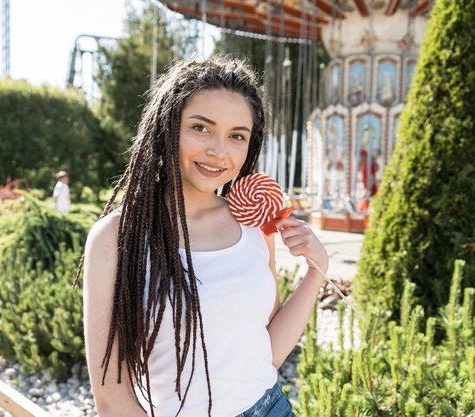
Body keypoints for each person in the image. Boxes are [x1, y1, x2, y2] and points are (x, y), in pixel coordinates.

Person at [77, 57, 329, 417]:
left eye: (236, 136)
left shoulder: (252, 223)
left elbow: (266, 351)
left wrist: (317, 271)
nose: (218, 151)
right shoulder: (117, 238)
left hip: (271, 407)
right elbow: (111, 397)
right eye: (201, 128)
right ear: (167, 127)